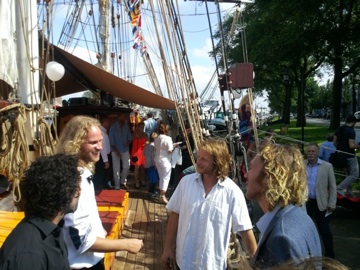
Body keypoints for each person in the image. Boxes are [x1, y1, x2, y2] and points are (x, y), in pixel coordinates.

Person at [56, 115, 143, 269]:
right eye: (93, 142)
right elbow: (82, 240)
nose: (100, 147)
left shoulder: (78, 173)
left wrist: (98, 228)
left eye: (100, 141)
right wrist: (126, 244)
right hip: (82, 265)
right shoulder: (76, 181)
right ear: (75, 144)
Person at [161, 139, 257, 270]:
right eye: (198, 157)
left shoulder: (233, 193)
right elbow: (175, 216)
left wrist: (255, 262)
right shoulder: (185, 183)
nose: (198, 162)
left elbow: (245, 231)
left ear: (217, 162)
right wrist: (167, 249)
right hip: (183, 262)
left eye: (204, 159)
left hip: (212, 265)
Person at [244, 143, 321, 268]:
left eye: (251, 168)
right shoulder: (300, 217)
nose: (245, 175)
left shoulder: (282, 238)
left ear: (268, 177)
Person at [0, 154, 81, 270]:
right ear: (72, 192)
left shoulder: (52, 231)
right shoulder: (28, 255)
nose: (79, 191)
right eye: (77, 187)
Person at [305, 143, 337, 258]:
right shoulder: (302, 165)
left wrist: (332, 203)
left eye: (313, 151)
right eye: (309, 151)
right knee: (306, 230)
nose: (311, 154)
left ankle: (330, 255)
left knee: (325, 231)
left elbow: (333, 186)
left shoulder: (327, 166)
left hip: (322, 203)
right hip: (306, 202)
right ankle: (308, 254)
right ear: (306, 153)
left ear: (318, 152)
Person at [333, 115, 360, 197]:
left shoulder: (339, 129)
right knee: (354, 174)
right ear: (353, 122)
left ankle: (349, 191)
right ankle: (339, 188)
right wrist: (358, 145)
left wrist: (340, 147)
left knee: (348, 174)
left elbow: (334, 142)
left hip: (341, 154)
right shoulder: (351, 131)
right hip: (350, 155)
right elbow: (351, 145)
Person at [154, 122, 177, 204]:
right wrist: (175, 147)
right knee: (166, 178)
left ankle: (160, 194)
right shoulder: (168, 139)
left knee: (161, 177)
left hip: (157, 159)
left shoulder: (156, 139)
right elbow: (170, 151)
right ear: (167, 131)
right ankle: (162, 196)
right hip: (165, 160)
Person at [109, 112, 132, 190]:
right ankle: (117, 186)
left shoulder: (126, 126)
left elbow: (130, 137)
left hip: (124, 149)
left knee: (127, 166)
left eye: (125, 117)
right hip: (115, 150)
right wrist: (116, 151)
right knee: (116, 169)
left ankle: (122, 181)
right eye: (123, 117)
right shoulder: (113, 127)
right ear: (119, 117)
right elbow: (111, 141)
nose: (124, 119)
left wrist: (128, 142)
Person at [93, 114, 112, 191]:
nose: (109, 124)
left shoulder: (102, 132)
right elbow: (102, 148)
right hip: (102, 157)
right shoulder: (102, 133)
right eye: (108, 122)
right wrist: (106, 161)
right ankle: (99, 190)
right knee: (100, 175)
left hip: (103, 156)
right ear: (104, 122)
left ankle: (101, 188)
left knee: (101, 175)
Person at [130, 121, 148, 188]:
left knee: (142, 167)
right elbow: (135, 137)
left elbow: (147, 141)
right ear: (138, 127)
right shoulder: (135, 133)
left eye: (143, 127)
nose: (142, 128)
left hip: (143, 152)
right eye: (141, 127)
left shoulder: (145, 134)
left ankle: (141, 179)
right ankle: (136, 182)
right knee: (136, 167)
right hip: (136, 152)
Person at [143, 132, 159, 197]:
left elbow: (143, 154)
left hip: (147, 164)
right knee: (153, 179)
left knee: (150, 178)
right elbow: (154, 157)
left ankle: (151, 191)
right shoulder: (154, 147)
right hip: (153, 165)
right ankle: (151, 192)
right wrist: (155, 164)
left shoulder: (146, 146)